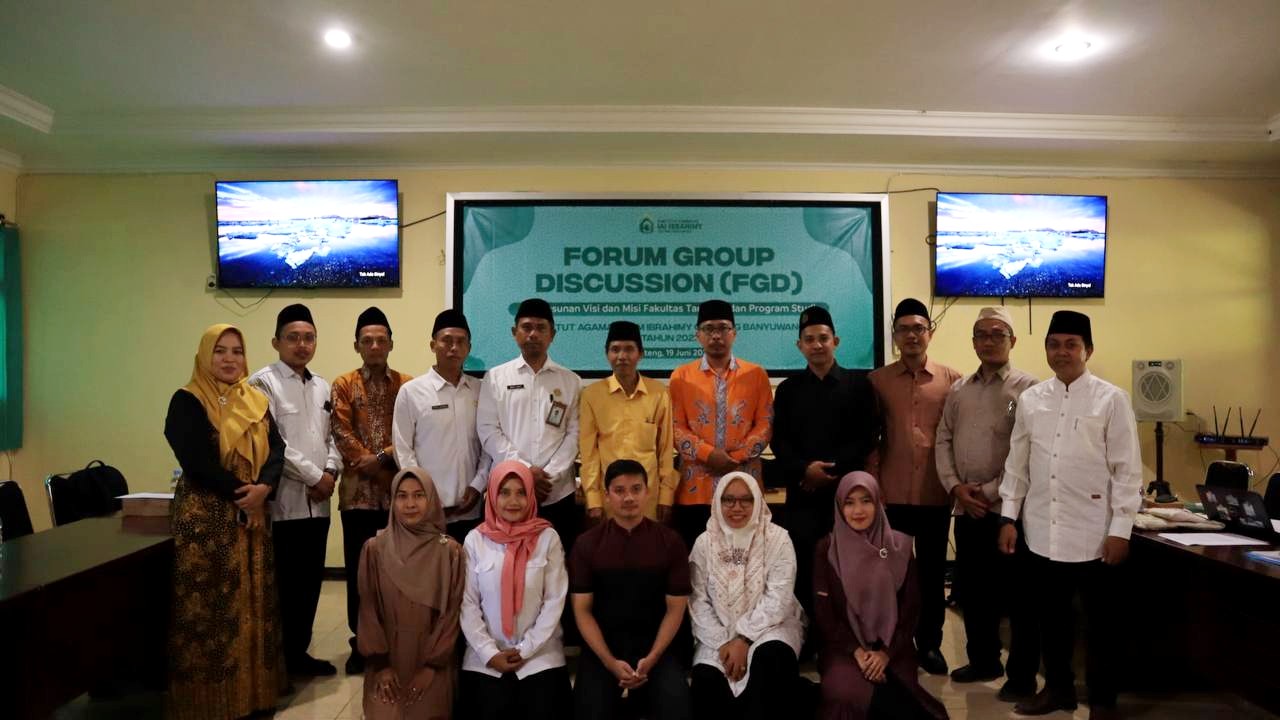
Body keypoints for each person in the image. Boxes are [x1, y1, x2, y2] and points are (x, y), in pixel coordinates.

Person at [998, 310, 1142, 720]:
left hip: (1095, 534)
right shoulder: (1032, 399)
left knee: (1101, 626)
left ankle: (1103, 701)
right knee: (1052, 621)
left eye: (1071, 344)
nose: (1061, 352)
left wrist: (1121, 529)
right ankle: (1058, 690)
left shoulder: (1111, 399)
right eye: (1054, 344)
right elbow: (1017, 464)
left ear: (1088, 350)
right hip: (1042, 531)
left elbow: (1127, 470)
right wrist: (1008, 518)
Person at [164, 323, 286, 720]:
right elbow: (195, 461)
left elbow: (277, 450)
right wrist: (245, 495)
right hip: (207, 520)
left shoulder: (255, 400)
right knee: (213, 610)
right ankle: (211, 702)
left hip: (250, 519)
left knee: (253, 604)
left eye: (237, 351)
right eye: (220, 351)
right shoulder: (187, 400)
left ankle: (254, 696)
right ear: (205, 355)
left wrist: (264, 489)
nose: (230, 359)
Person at [934, 306, 1040, 695]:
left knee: (1018, 598)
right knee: (974, 592)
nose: (989, 341)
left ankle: (1021, 677)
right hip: (966, 509)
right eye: (982, 334)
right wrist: (955, 487)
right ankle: (982, 661)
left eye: (998, 334)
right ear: (973, 342)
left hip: (1009, 513)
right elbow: (943, 439)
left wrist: (991, 491)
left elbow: (1028, 453)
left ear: (1013, 340)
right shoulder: (959, 389)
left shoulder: (1029, 389)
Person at [866, 298, 962, 676]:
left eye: (918, 328)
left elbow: (956, 439)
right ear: (894, 336)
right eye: (904, 329)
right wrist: (874, 485)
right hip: (891, 495)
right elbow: (872, 438)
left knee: (932, 574)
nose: (911, 335)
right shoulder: (877, 382)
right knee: (893, 575)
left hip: (935, 493)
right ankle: (895, 643)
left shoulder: (953, 381)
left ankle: (930, 644)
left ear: (930, 333)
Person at [250, 303, 343, 677]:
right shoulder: (262, 383)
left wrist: (331, 471)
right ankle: (278, 662)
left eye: (309, 338)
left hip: (319, 503)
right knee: (284, 586)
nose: (302, 345)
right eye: (293, 338)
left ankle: (299, 654)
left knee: (309, 584)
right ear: (276, 342)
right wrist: (314, 476)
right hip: (285, 505)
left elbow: (332, 436)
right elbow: (274, 443)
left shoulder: (322, 385)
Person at [772, 305, 880, 622]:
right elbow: (779, 441)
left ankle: (849, 634)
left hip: (846, 496)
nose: (817, 345)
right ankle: (808, 636)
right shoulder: (788, 390)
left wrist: (831, 471)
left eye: (823, 338)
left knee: (847, 569)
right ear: (799, 345)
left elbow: (867, 436)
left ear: (836, 341)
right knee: (804, 569)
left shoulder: (859, 385)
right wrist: (805, 470)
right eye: (809, 339)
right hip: (802, 496)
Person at [814, 472, 949, 720]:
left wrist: (885, 653)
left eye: (866, 500)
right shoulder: (828, 548)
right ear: (839, 507)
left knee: (895, 692)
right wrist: (856, 651)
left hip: (894, 648)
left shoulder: (899, 547)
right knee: (844, 693)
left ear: (878, 503)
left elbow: (911, 609)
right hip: (844, 648)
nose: (858, 510)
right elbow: (825, 614)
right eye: (849, 502)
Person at [571, 459, 692, 720]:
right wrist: (610, 662)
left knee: (677, 710)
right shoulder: (586, 544)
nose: (628, 498)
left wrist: (653, 657)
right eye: (620, 490)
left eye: (636, 489)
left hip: (657, 647)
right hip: (603, 648)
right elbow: (582, 611)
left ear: (648, 492)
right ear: (607, 495)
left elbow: (675, 609)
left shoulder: (670, 542)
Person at [331, 306, 413, 674]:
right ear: (357, 346)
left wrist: (381, 458)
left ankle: (395, 640)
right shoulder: (343, 384)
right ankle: (361, 642)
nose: (375, 346)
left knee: (397, 573)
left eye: (381, 340)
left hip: (398, 498)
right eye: (368, 341)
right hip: (358, 498)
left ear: (391, 343)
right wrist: (367, 461)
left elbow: (411, 433)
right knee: (360, 573)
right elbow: (340, 430)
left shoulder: (407, 385)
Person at [460, 460, 572, 720]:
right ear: (491, 495)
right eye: (504, 492)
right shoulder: (475, 540)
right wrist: (490, 652)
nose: (513, 501)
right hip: (484, 658)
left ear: (531, 495)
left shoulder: (547, 538)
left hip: (540, 656)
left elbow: (554, 600)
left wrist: (526, 649)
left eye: (521, 492)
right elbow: (467, 604)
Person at [688, 471, 805, 719]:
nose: (737, 507)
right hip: (717, 633)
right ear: (717, 502)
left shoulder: (778, 539)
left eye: (746, 500)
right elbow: (698, 601)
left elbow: (778, 598)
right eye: (729, 500)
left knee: (770, 660)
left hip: (771, 627)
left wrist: (743, 639)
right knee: (707, 679)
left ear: (758, 501)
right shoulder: (704, 543)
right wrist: (724, 642)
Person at [357, 468, 466, 720]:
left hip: (433, 657)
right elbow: (368, 611)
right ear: (392, 501)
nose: (410, 504)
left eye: (419, 495)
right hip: (386, 657)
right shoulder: (374, 549)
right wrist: (381, 665)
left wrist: (432, 666)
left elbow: (451, 615)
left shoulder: (450, 552)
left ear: (431, 499)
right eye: (402, 496)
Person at [476, 298, 582, 550]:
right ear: (515, 332)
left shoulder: (571, 381)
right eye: (526, 327)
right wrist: (524, 471)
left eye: (540, 327)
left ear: (552, 334)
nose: (533, 334)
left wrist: (549, 476)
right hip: (508, 493)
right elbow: (488, 430)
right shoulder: (495, 378)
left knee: (557, 562)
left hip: (556, 494)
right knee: (506, 560)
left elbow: (575, 434)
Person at [669, 299, 773, 550]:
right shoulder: (681, 376)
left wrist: (732, 459)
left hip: (743, 487)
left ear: (734, 333)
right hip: (695, 491)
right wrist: (709, 455)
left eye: (723, 328)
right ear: (697, 335)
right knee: (696, 559)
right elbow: (675, 428)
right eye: (708, 329)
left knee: (745, 558)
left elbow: (765, 425)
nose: (716, 335)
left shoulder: (756, 374)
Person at [393, 309, 489, 545]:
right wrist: (422, 494)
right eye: (447, 340)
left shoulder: (481, 390)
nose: (454, 348)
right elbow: (403, 450)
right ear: (433, 345)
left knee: (468, 568)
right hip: (428, 511)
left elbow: (488, 445)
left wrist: (478, 486)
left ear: (469, 348)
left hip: (472, 508)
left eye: (461, 342)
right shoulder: (412, 392)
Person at [579, 320, 677, 524]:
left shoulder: (659, 393)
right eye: (615, 349)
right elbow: (589, 454)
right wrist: (593, 500)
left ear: (641, 354)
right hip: (609, 498)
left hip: (648, 498)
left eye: (629, 349)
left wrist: (666, 497)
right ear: (607, 354)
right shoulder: (592, 395)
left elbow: (666, 450)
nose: (622, 356)